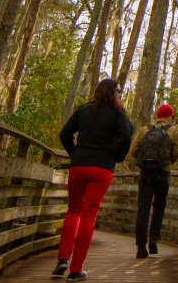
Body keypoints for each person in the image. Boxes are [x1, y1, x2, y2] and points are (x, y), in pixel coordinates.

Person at [52, 78, 133, 281]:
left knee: (73, 210)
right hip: (102, 168)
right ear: (112, 92)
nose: (120, 94)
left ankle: (62, 259)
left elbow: (64, 134)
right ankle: (75, 269)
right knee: (88, 215)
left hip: (79, 165)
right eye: (119, 90)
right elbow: (126, 137)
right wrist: (117, 157)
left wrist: (76, 154)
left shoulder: (84, 110)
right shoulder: (118, 114)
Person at [129, 103, 178, 259]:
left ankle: (140, 246)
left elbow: (133, 151)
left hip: (145, 173)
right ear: (169, 116)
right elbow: (177, 152)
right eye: (172, 117)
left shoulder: (144, 130)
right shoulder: (174, 131)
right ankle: (153, 238)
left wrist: (144, 163)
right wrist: (166, 162)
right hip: (163, 173)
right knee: (159, 206)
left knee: (143, 208)